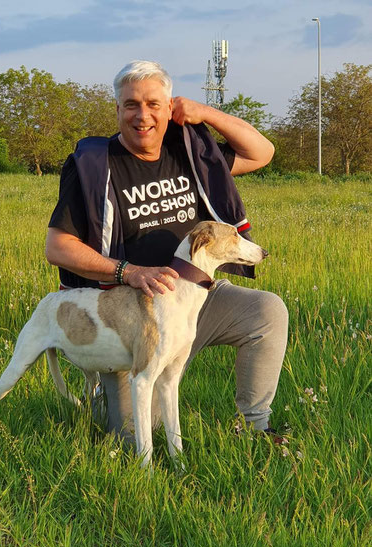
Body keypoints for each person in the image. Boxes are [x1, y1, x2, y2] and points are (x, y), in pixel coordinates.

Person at [46, 60, 288, 441]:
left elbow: (262, 152)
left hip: (195, 299)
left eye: (153, 104)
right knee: (132, 435)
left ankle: (256, 427)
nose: (142, 116)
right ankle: (103, 393)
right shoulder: (94, 167)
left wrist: (204, 112)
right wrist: (130, 272)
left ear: (170, 107)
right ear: (118, 110)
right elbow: (58, 248)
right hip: (133, 314)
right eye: (131, 105)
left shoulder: (189, 152)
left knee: (267, 312)